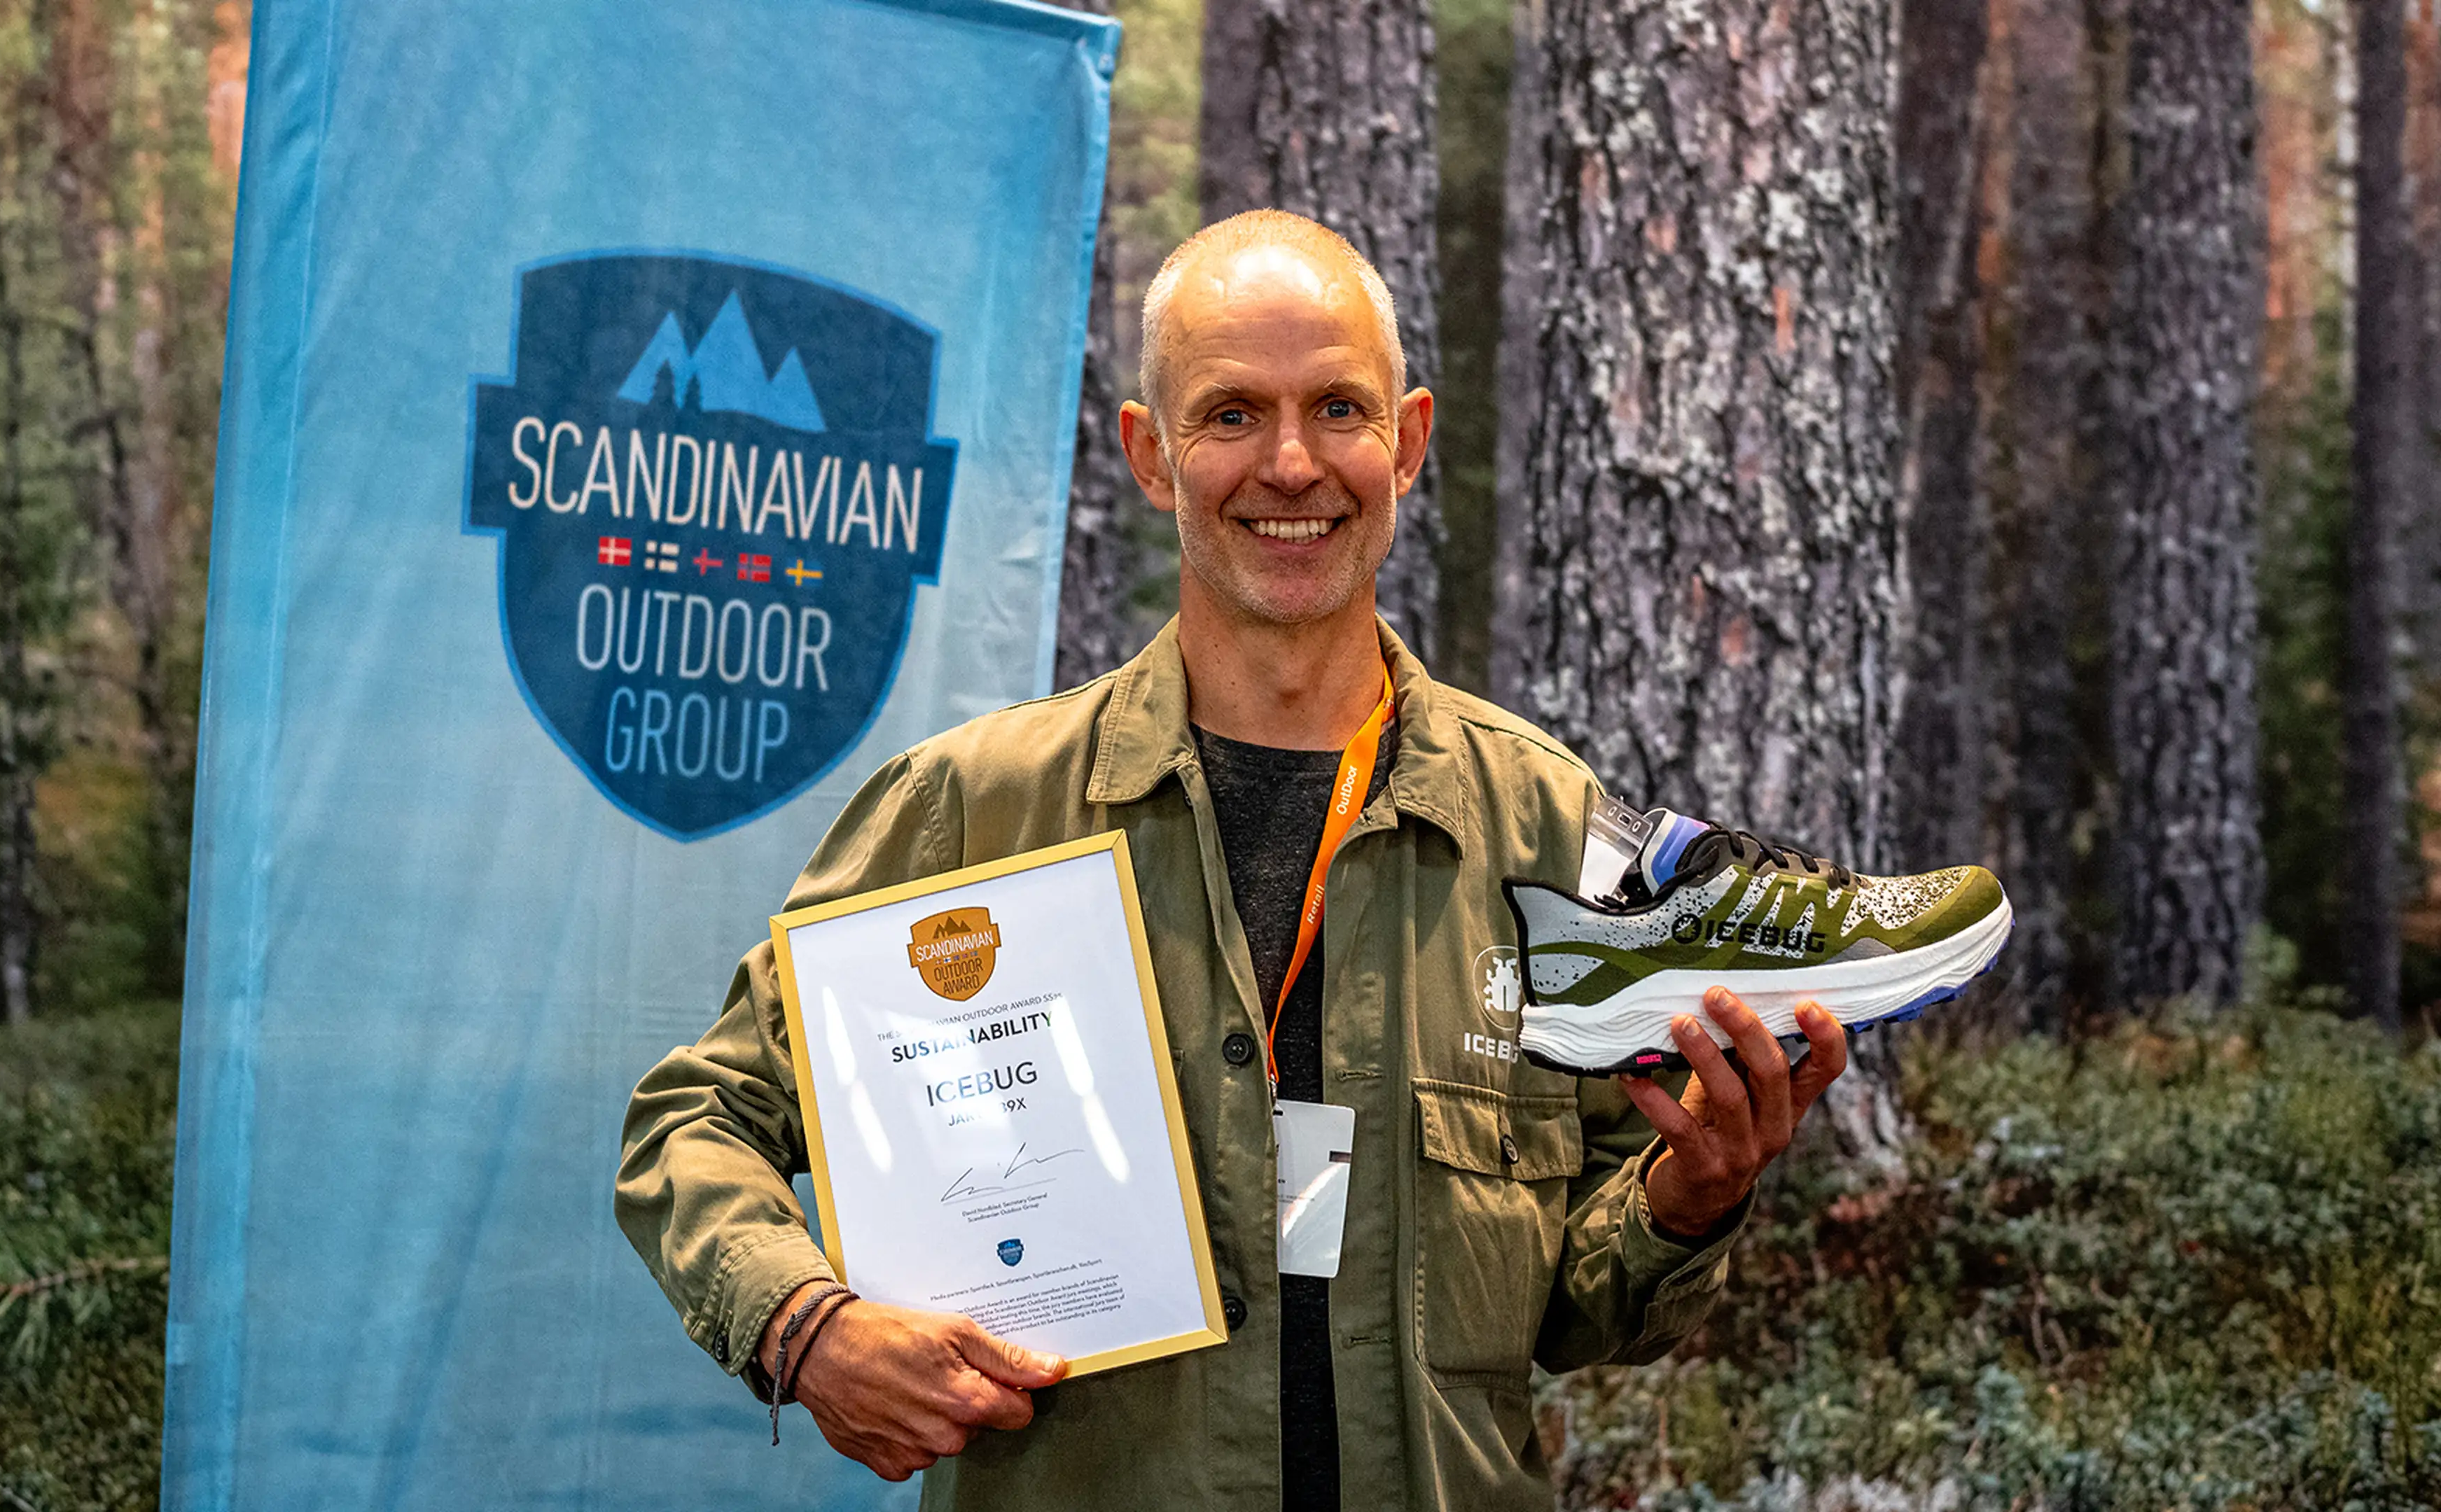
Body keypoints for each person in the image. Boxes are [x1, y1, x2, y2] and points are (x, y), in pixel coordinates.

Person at [615, 209, 1851, 1510]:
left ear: (1409, 441)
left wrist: (1693, 1193)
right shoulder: (980, 811)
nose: (1292, 464)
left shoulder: (1542, 829)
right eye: (1230, 416)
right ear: (1152, 455)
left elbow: (1582, 1310)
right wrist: (804, 1330)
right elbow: (694, 1120)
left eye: (1339, 408)